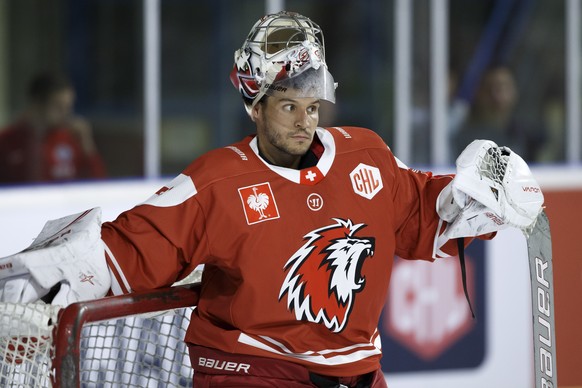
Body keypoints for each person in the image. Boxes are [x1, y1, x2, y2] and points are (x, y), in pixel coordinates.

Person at [0, 12, 544, 387]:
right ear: (255, 107)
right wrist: (49, 279)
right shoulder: (217, 182)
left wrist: (475, 199)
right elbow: (133, 250)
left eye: (313, 104)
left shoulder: (366, 155)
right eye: (288, 106)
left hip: (356, 369)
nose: (305, 120)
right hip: (252, 371)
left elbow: (422, 215)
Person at [0, 71, 106, 184]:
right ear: (37, 103)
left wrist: (88, 147)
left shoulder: (72, 139)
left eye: (69, 106)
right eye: (59, 106)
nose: (66, 113)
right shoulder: (6, 140)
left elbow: (98, 184)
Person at [454, 65, 546, 163]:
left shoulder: (528, 136)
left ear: (515, 92)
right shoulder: (465, 141)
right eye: (489, 89)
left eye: (503, 87)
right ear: (478, 93)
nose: (496, 97)